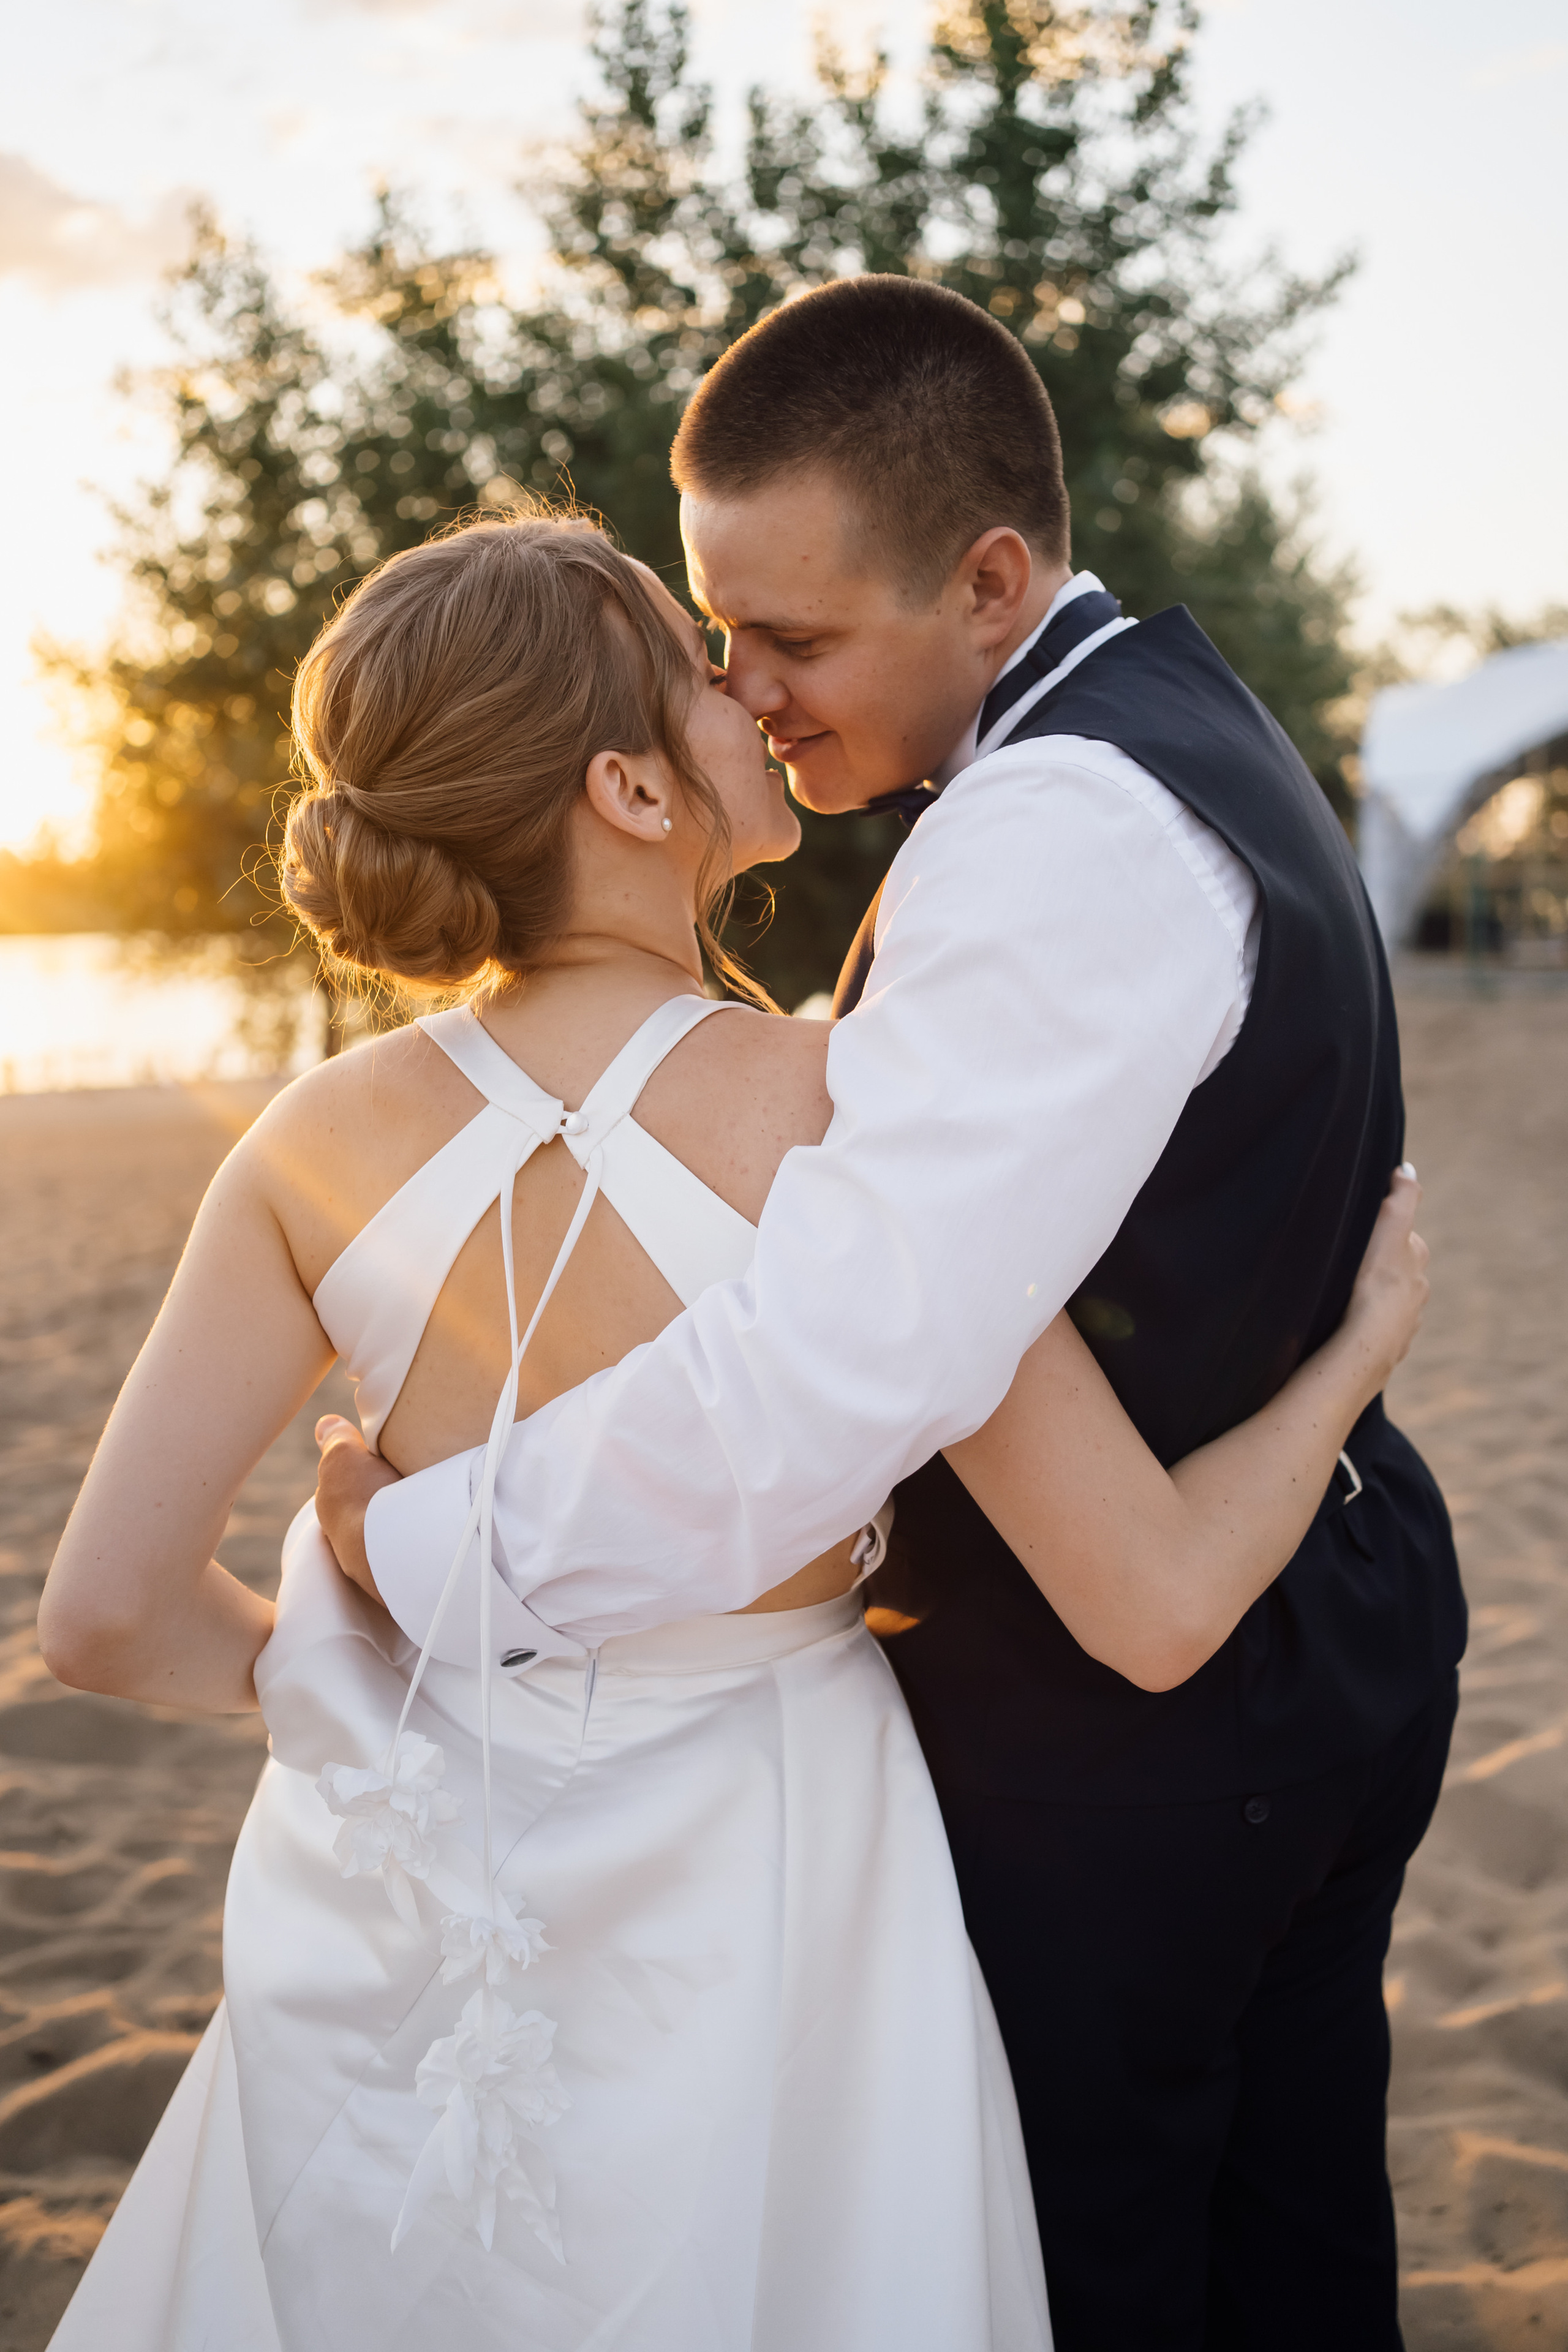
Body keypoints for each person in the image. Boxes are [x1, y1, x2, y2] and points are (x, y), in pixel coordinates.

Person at [39, 510, 1428, 2352]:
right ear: (626, 788)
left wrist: (390, 1703)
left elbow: (107, 1615)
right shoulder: (849, 1113)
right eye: (698, 667)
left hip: (400, 1905)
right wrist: (1358, 1357)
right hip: (781, 1882)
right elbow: (1155, 1592)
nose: (744, 688)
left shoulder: (303, 1147)